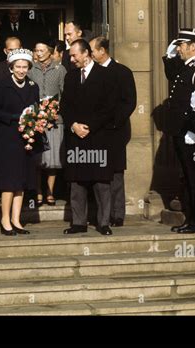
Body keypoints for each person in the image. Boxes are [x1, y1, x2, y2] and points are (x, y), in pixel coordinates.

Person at [61, 39, 116, 236]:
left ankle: (103, 222)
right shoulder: (70, 77)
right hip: (76, 137)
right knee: (77, 182)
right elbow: (64, 106)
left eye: (75, 55)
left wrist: (90, 127)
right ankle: (78, 222)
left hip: (98, 137)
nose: (72, 59)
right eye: (71, 56)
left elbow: (110, 108)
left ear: (86, 54)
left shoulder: (105, 75)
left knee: (101, 182)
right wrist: (74, 125)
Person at [162, 28, 195, 234]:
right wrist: (169, 57)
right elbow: (171, 76)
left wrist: (194, 130)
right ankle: (193, 218)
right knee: (187, 176)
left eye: (181, 46)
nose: (179, 50)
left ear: (193, 46)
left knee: (194, 178)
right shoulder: (186, 66)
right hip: (181, 131)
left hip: (190, 133)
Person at [0, 49, 41, 236]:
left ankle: (16, 220)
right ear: (11, 67)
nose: (21, 70)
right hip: (7, 139)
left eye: (24, 67)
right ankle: (5, 219)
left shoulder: (33, 86)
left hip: (26, 139)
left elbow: (36, 109)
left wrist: (37, 119)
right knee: (8, 181)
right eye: (18, 67)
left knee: (21, 180)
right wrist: (14, 117)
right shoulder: (2, 85)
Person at [90, 37, 137, 228]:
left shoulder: (122, 72)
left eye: (92, 50)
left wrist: (113, 122)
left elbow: (130, 102)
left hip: (116, 132)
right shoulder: (91, 73)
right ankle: (102, 214)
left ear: (102, 51)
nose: (91, 54)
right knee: (99, 174)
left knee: (116, 173)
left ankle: (117, 215)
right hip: (96, 132)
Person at [28, 39, 67, 206]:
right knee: (38, 158)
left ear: (50, 52)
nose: (38, 53)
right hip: (35, 119)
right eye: (36, 50)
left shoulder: (60, 68)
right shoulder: (30, 69)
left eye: (42, 50)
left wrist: (56, 109)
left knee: (52, 159)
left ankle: (50, 192)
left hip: (54, 119)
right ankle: (38, 192)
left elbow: (65, 92)